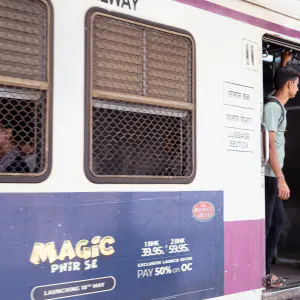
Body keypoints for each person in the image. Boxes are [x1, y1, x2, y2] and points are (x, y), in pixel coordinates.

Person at [264, 56, 300, 287]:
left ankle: (265, 270)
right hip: (270, 177)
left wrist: (284, 64)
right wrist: (281, 178)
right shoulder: (271, 108)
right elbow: (269, 145)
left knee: (277, 224)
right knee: (269, 224)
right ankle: (263, 272)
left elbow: (276, 84)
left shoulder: (275, 105)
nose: (298, 88)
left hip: (274, 177)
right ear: (288, 85)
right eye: (296, 84)